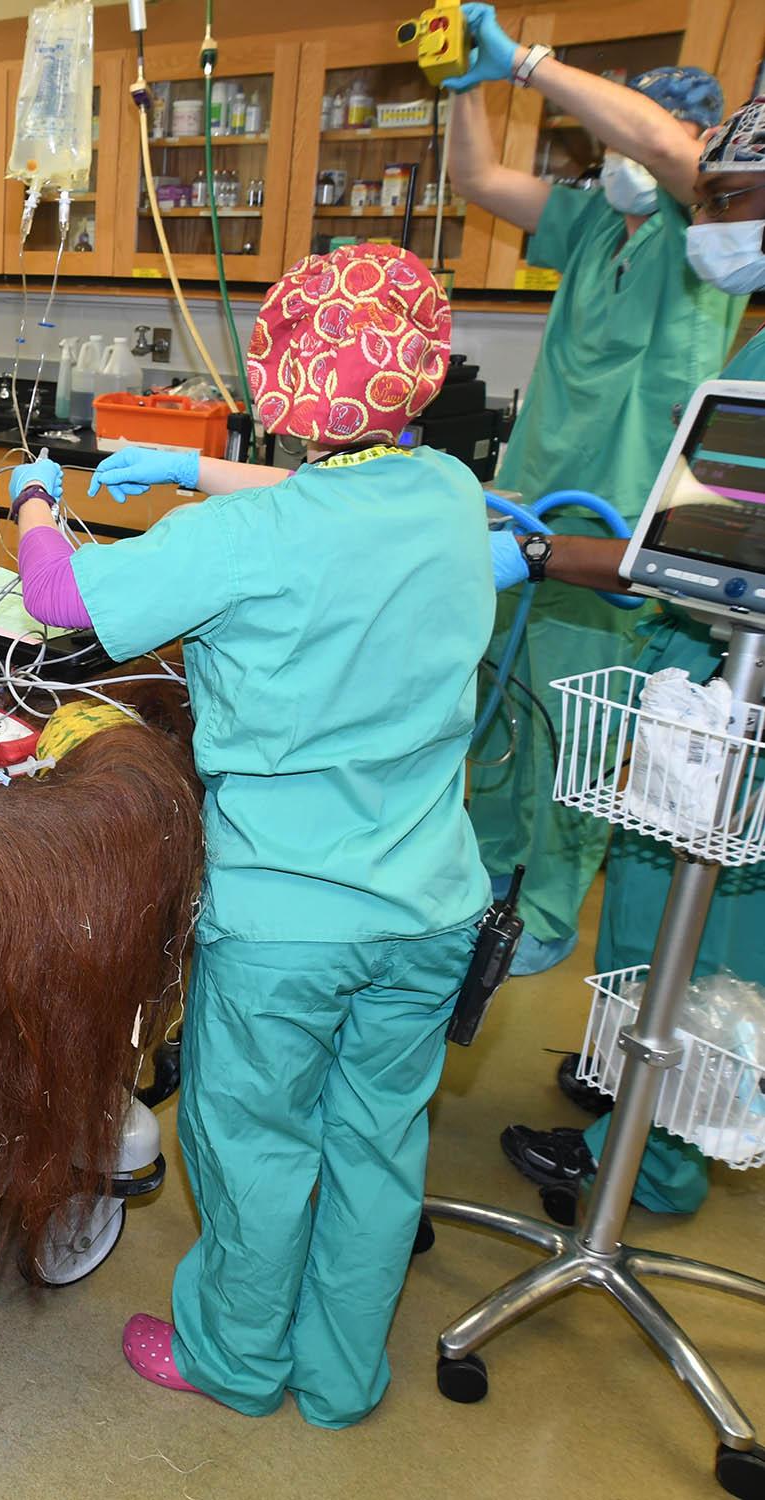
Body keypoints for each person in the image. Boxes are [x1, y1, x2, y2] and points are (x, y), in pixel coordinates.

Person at [29, 245, 490, 1426]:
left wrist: (41, 499)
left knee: (258, 1143)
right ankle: (341, 1376)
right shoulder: (449, 495)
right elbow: (327, 507)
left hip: (287, 919)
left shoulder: (242, 544)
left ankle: (234, 1359)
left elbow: (57, 600)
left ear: (283, 379)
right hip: (431, 903)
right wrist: (194, 464)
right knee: (378, 1145)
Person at [493, 94, 765, 1220]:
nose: (716, 222)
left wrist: (547, 554)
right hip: (723, 675)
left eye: (734, 200)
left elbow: (704, 559)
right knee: (666, 923)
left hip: (738, 705)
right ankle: (631, 1091)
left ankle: (644, 1169)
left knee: (690, 935)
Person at [445, 4, 744, 975]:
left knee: (577, 727)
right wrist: (465, 89)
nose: (612, 148)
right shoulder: (585, 225)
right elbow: (480, 180)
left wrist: (525, 60)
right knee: (503, 704)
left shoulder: (708, 235)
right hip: (528, 506)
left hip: (614, 533)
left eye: (625, 130)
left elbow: (660, 143)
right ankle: (487, 876)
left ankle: (546, 909)